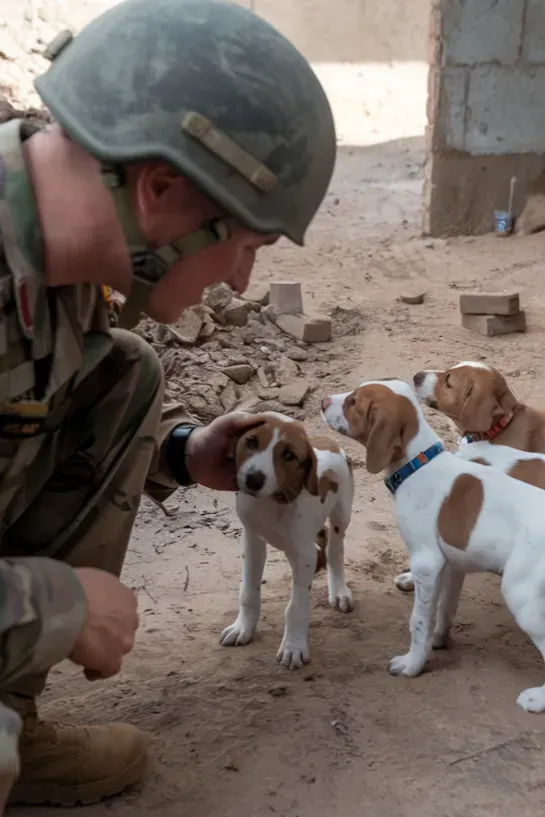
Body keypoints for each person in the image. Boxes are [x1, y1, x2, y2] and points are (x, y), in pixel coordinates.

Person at [0, 0, 336, 808]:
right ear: (158, 190)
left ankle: (7, 711)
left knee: (127, 374)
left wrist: (183, 455)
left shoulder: (62, 279)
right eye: (246, 246)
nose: (241, 281)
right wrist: (57, 603)